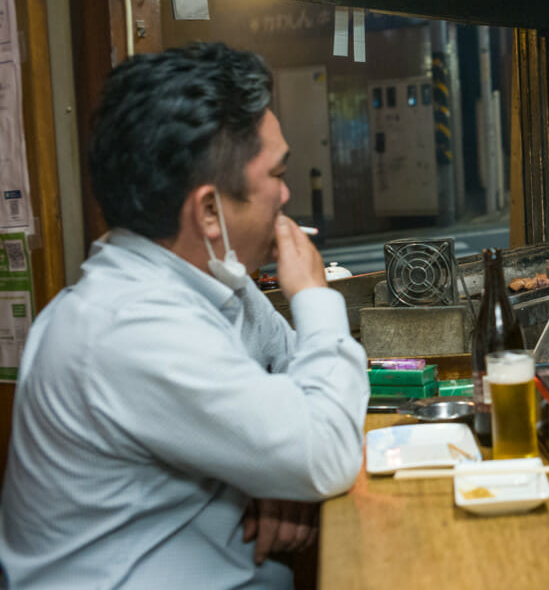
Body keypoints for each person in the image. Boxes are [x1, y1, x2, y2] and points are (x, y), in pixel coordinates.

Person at [0, 43, 368, 588]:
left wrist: (282, 478)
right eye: (278, 173)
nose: (288, 193)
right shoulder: (129, 327)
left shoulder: (218, 284)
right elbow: (327, 448)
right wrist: (313, 294)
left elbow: (310, 390)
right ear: (209, 211)